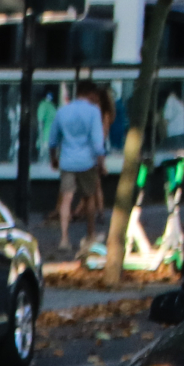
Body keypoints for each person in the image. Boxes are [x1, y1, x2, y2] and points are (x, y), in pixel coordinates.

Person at [49, 83, 109, 260]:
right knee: (89, 197)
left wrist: (53, 158)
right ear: (89, 93)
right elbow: (98, 143)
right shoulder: (93, 112)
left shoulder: (63, 111)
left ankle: (64, 239)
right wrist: (102, 163)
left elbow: (53, 139)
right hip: (86, 162)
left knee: (66, 198)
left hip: (67, 161)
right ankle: (90, 235)